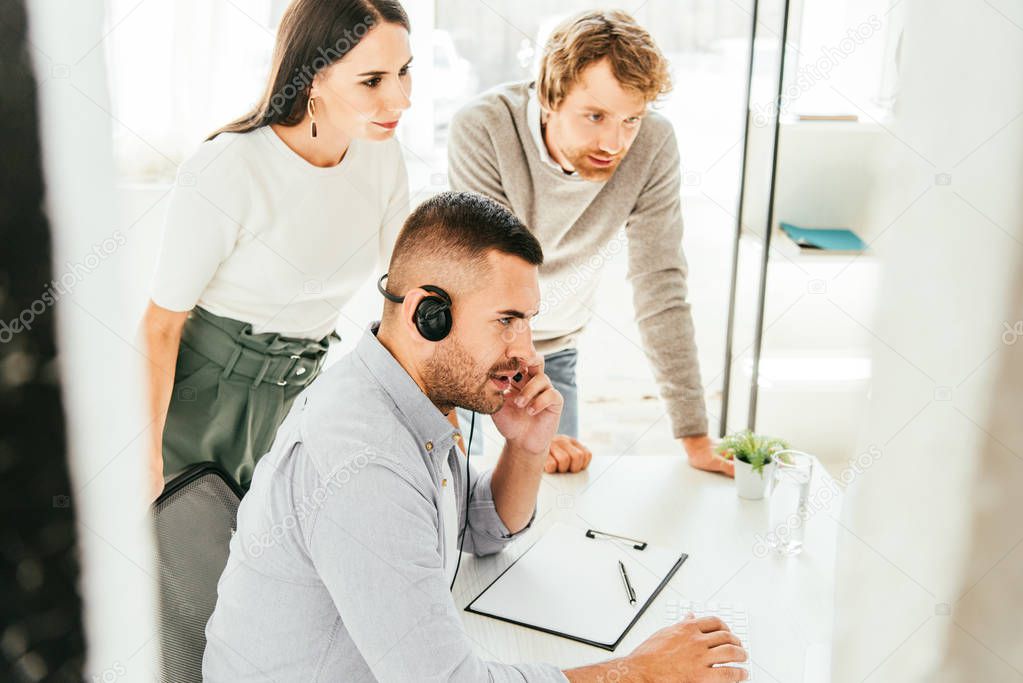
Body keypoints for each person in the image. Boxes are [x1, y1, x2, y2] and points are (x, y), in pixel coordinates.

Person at [202, 192, 748, 682]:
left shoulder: (409, 398)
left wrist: (526, 446)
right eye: (506, 320)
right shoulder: (365, 461)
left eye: (527, 322)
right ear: (428, 315)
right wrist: (639, 673)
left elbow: (478, 528)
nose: (528, 353)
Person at [140, 0, 413, 500]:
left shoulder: (381, 151)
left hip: (301, 393)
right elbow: (161, 324)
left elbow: (406, 286)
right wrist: (145, 454)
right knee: (188, 569)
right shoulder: (227, 167)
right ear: (313, 77)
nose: (399, 100)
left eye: (404, 72)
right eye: (372, 81)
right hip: (202, 398)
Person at [448, 10, 734, 477]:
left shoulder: (653, 144)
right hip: (473, 350)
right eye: (595, 116)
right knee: (465, 509)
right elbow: (490, 280)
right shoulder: (482, 129)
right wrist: (521, 419)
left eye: (630, 120)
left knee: (549, 507)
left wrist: (695, 437)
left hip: (554, 351)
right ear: (547, 96)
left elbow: (660, 284)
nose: (614, 141)